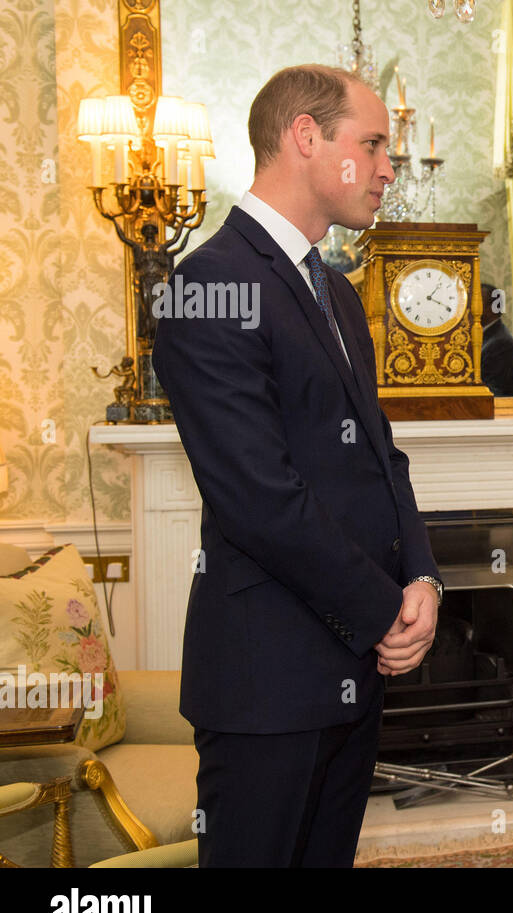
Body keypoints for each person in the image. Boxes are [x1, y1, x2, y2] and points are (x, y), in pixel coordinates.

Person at [152, 64, 443, 867]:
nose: (389, 167)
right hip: (267, 679)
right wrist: (384, 610)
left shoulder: (338, 292)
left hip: (352, 672)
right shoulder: (206, 285)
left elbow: (381, 455)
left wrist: (423, 577)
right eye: (374, 143)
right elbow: (259, 498)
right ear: (305, 137)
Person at [479, 283, 513, 396]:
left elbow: (495, 391)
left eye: (477, 303)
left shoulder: (501, 344)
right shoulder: (486, 336)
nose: (471, 308)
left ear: (492, 308)